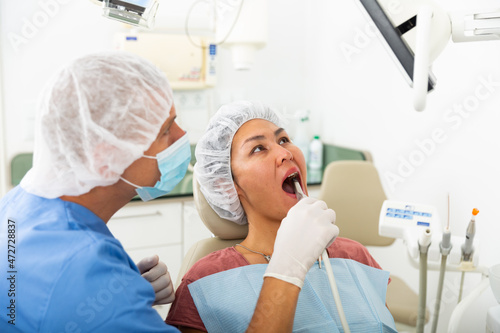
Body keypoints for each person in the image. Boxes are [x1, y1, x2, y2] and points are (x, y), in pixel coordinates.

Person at [166, 101, 396, 332]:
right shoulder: (205, 281)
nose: (285, 153)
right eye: (258, 148)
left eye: (284, 140)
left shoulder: (355, 256)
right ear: (227, 186)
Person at [0, 52, 186, 332]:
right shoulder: (82, 270)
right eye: (166, 129)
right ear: (106, 157)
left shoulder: (16, 207)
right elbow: (67, 288)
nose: (182, 136)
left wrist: (125, 289)